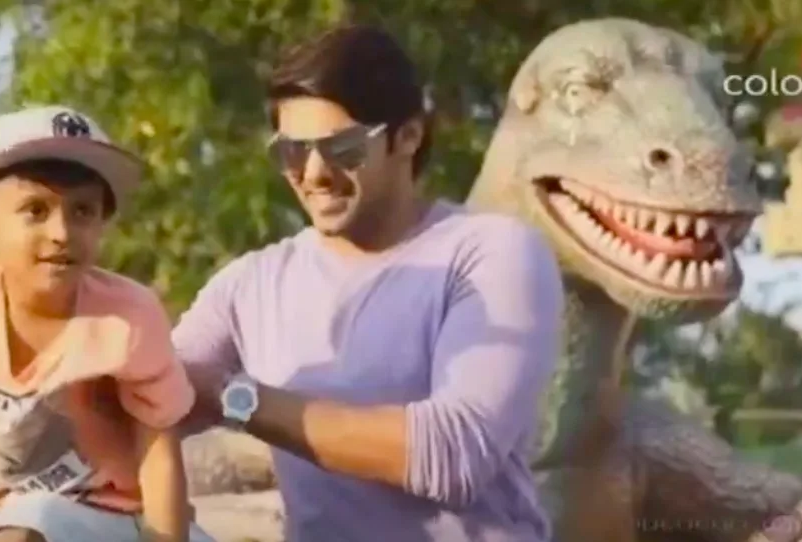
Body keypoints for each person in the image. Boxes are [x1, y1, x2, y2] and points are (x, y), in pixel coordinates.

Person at [174, 24, 563, 542]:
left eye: (344, 147)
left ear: (409, 136)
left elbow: (453, 455)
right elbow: (157, 390)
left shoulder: (493, 253)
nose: (314, 173)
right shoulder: (251, 284)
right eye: (291, 152)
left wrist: (236, 398)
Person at [0, 106, 213, 542]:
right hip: (27, 519)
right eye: (35, 210)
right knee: (23, 527)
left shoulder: (128, 316)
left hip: (130, 520)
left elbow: (160, 452)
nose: (62, 233)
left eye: (83, 211)